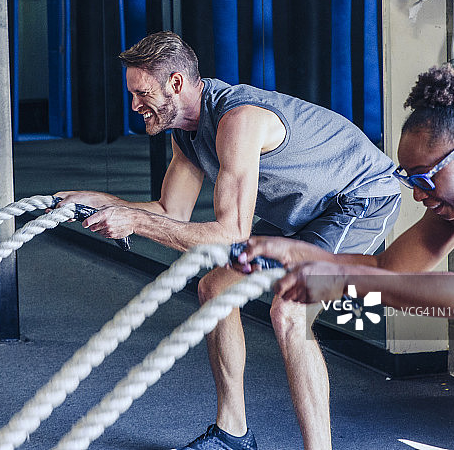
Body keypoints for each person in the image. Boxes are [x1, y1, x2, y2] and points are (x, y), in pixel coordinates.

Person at [55, 31, 401, 450]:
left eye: (142, 93)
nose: (134, 106)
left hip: (357, 200)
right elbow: (170, 211)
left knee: (289, 310)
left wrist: (134, 223)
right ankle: (233, 431)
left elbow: (230, 235)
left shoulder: (237, 120)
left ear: (176, 83)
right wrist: (100, 200)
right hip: (301, 214)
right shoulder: (186, 132)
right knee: (214, 288)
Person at [239, 64, 454, 449]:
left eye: (426, 178)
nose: (418, 193)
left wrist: (338, 280)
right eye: (410, 180)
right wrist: (296, 252)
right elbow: (389, 268)